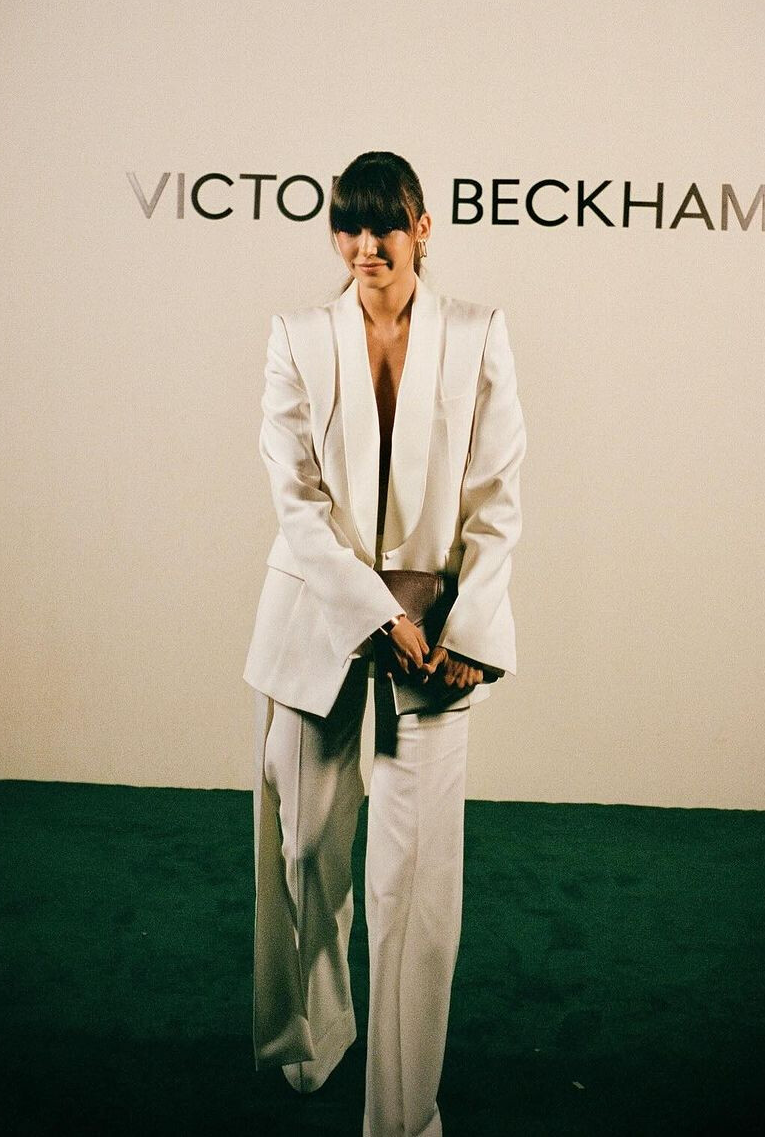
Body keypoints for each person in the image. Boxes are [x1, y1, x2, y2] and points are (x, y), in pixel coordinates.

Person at [243, 150, 525, 1137]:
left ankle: (403, 1113)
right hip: (317, 620)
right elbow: (296, 501)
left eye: (386, 225)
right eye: (350, 227)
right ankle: (312, 1036)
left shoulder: (479, 334)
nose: (368, 246)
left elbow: (498, 499)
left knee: (413, 887)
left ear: (422, 228)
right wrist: (374, 613)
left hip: (437, 643)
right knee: (304, 850)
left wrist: (472, 631)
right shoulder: (296, 336)